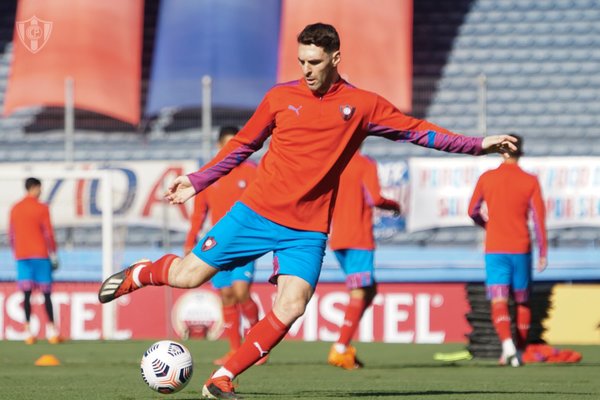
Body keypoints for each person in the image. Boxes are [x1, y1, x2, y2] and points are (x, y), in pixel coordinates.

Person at [99, 23, 517, 399]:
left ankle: (222, 378)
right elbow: (243, 145)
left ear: (336, 58)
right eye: (301, 61)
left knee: (292, 305)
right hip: (256, 213)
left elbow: (418, 131)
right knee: (187, 277)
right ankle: (139, 274)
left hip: (307, 230)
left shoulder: (363, 105)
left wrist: (478, 144)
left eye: (315, 62)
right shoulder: (280, 97)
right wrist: (197, 180)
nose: (307, 70)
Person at [183, 126, 263, 366]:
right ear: (220, 146)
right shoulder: (209, 173)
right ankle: (234, 350)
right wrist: (190, 241)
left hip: (246, 241)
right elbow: (199, 213)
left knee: (241, 292)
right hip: (218, 243)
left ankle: (258, 343)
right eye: (228, 144)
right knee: (226, 296)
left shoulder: (251, 172)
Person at [468, 134, 547, 367]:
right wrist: (543, 252)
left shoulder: (487, 178)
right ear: (520, 152)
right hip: (521, 246)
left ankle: (507, 346)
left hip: (495, 247)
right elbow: (539, 219)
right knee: (522, 301)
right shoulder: (530, 180)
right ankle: (519, 352)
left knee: (498, 298)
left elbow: (472, 210)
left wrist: (488, 225)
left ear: (501, 150)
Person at [327, 151, 400, 370]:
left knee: (370, 289)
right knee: (359, 291)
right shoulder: (363, 163)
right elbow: (375, 197)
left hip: (337, 238)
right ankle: (340, 348)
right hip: (358, 237)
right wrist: (393, 205)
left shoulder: (332, 162)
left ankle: (344, 343)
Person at [9, 177, 61, 344]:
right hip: (40, 255)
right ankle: (52, 332)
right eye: (40, 188)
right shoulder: (42, 208)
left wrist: (16, 252)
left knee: (26, 294)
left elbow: (11, 234)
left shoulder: (15, 208)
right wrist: (53, 251)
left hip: (22, 256)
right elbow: (48, 233)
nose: (41, 191)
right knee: (46, 294)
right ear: (35, 187)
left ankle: (28, 333)